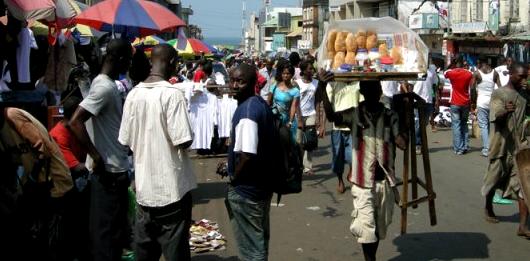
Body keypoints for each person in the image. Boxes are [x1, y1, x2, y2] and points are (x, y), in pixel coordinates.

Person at [316, 71, 407, 261]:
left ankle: (370, 257)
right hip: (362, 182)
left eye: (376, 89)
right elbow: (332, 116)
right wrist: (323, 88)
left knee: (379, 228)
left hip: (385, 182)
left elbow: (401, 141)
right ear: (364, 92)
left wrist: (400, 134)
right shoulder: (354, 114)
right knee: (366, 228)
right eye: (370, 89)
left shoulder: (390, 115)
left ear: (381, 90)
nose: (374, 93)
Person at [118, 44, 196, 261]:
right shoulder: (172, 94)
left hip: (144, 193)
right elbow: (184, 141)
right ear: (171, 63)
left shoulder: (133, 94)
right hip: (171, 193)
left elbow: (125, 141)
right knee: (176, 254)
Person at [69, 38, 132, 261]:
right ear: (119, 59)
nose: (128, 67)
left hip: (113, 168)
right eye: (128, 60)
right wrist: (96, 156)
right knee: (106, 235)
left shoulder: (102, 83)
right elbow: (75, 121)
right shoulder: (105, 87)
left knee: (110, 232)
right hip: (110, 172)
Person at [0, 106, 74, 260]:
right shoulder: (2, 132)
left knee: (53, 242)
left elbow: (43, 150)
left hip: (53, 182)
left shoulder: (12, 116)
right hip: (36, 186)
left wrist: (33, 180)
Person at [225, 63, 276, 261]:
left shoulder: (248, 112)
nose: (234, 85)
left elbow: (247, 154)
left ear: (253, 83)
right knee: (259, 243)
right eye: (232, 80)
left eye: (240, 81)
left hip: (247, 192)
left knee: (252, 251)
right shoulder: (258, 104)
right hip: (260, 188)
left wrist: (233, 177)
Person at [481, 63, 530, 238]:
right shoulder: (499, 93)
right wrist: (505, 112)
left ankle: (523, 226)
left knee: (523, 186)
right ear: (511, 75)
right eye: (521, 76)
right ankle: (488, 206)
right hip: (501, 145)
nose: (524, 80)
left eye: (526, 76)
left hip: (519, 147)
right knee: (493, 179)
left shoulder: (524, 94)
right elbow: (496, 119)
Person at [49, 96, 90, 261]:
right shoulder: (59, 135)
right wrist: (97, 163)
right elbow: (75, 167)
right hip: (64, 191)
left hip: (76, 185)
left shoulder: (75, 130)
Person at [473, 56, 502, 157]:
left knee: (484, 126)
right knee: (490, 125)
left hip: (481, 103)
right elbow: (500, 88)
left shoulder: (477, 73)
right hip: (491, 102)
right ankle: (492, 146)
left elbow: (472, 89)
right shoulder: (495, 73)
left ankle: (486, 149)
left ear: (481, 63)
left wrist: (473, 102)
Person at [267, 62, 303, 141]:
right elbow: (268, 102)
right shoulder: (274, 86)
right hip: (273, 119)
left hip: (286, 121)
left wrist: (290, 122)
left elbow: (294, 107)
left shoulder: (295, 91)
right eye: (284, 73)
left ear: (292, 75)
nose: (285, 75)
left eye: (288, 73)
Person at [445, 57, 473, 155]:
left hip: (455, 103)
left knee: (456, 125)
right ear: (463, 63)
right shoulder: (469, 74)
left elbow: (445, 72)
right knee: (464, 124)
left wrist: (451, 64)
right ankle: (465, 146)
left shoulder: (451, 73)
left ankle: (459, 148)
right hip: (465, 102)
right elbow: (472, 87)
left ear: (455, 63)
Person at [296, 60, 320, 175]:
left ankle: (308, 167)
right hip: (299, 114)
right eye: (310, 69)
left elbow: (317, 101)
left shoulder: (316, 83)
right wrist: (299, 117)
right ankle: (298, 164)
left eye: (312, 69)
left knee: (310, 141)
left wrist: (318, 117)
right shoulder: (297, 83)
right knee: (299, 141)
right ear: (304, 70)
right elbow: (295, 102)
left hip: (311, 113)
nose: (312, 71)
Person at [413, 65, 438, 154]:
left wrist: (436, 100)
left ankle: (422, 144)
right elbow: (409, 83)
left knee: (424, 124)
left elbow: (435, 84)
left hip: (428, 100)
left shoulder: (432, 69)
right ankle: (417, 144)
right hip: (417, 100)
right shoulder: (415, 67)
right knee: (418, 124)